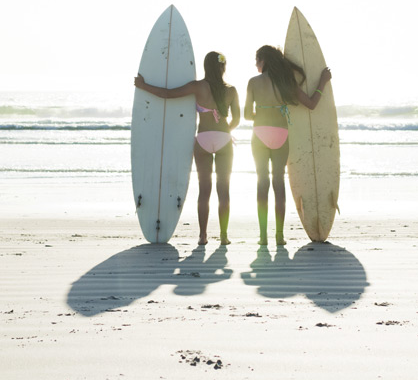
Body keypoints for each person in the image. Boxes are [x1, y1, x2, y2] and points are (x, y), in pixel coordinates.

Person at [134, 51, 240, 246]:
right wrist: (225, 130)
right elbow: (237, 119)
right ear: (222, 67)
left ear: (206, 66)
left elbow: (167, 94)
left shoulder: (197, 87)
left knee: (204, 190)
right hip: (224, 140)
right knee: (223, 190)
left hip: (203, 140)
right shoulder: (231, 90)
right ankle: (224, 236)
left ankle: (203, 236)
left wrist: (143, 86)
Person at [244, 45, 331, 246]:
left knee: (262, 183)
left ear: (263, 60)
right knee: (278, 182)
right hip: (281, 134)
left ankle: (263, 236)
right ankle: (280, 236)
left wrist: (263, 112)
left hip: (260, 134)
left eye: (257, 61)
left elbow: (248, 115)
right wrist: (322, 82)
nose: (256, 65)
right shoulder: (286, 82)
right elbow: (311, 104)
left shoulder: (253, 82)